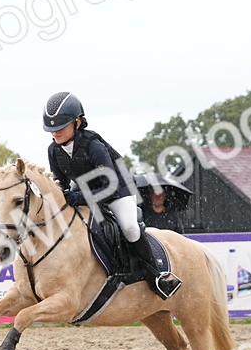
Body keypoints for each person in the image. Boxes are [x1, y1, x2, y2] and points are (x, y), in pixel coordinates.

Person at [44, 91, 180, 298]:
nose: (55, 133)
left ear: (77, 123)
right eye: (52, 129)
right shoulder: (53, 150)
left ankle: (156, 276)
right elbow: (60, 182)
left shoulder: (93, 146)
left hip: (117, 191)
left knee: (130, 228)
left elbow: (110, 186)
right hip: (85, 192)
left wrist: (78, 198)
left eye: (60, 127)